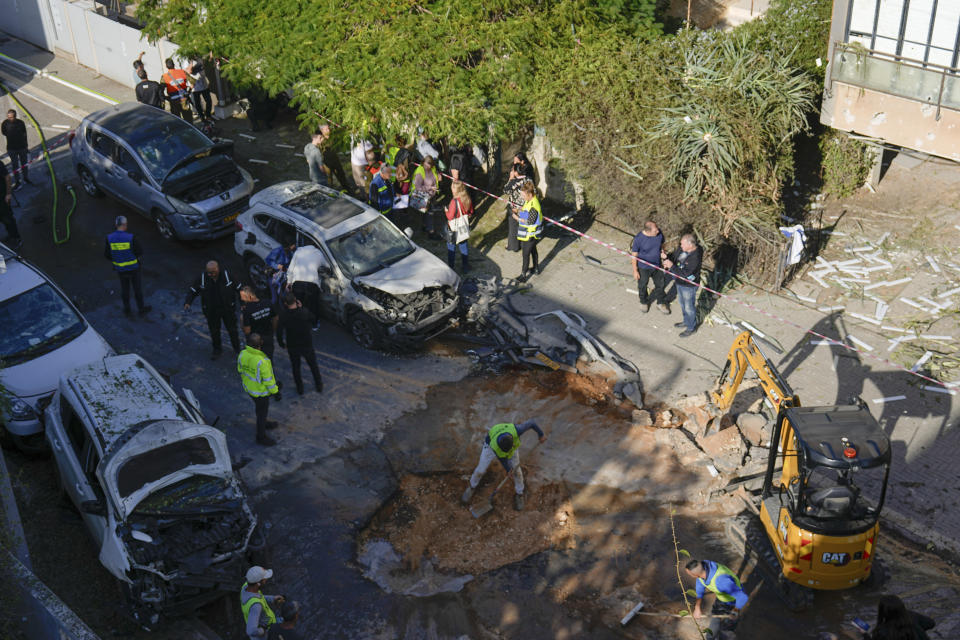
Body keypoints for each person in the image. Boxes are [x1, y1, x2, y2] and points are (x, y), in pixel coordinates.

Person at [462, 420, 547, 511]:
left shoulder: (517, 430)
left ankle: (519, 493)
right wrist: (508, 469)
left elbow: (532, 423)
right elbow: (503, 459)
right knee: (480, 470)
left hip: (512, 448)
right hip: (489, 448)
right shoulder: (495, 446)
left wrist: (541, 434)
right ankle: (472, 486)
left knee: (517, 473)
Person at [184, 260, 243, 359]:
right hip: (211, 311)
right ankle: (217, 349)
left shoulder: (228, 276)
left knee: (232, 330)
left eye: (213, 272)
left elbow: (240, 289)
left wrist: (243, 303)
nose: (211, 275)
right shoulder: (202, 278)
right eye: (209, 272)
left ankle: (237, 348)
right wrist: (188, 302)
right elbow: (193, 291)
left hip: (227, 309)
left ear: (218, 269)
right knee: (214, 331)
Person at [237, 333, 281, 446]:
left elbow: (240, 370)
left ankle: (264, 423)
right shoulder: (262, 361)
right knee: (262, 412)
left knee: (259, 410)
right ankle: (261, 436)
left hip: (249, 389)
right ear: (261, 343)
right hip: (261, 393)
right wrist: (276, 392)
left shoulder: (242, 354)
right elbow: (269, 380)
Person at [104, 216, 151, 318]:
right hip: (134, 268)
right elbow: (139, 252)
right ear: (125, 225)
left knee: (125, 289)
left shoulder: (109, 238)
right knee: (137, 289)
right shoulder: (131, 237)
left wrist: (118, 258)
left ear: (116, 225)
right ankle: (141, 309)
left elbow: (107, 255)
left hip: (120, 269)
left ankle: (127, 310)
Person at [277, 292, 323, 395]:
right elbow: (314, 320)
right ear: (296, 301)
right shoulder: (304, 312)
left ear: (285, 303)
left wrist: (281, 343)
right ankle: (319, 384)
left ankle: (300, 388)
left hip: (292, 345)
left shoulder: (284, 315)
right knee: (313, 365)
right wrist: (301, 308)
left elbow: (279, 331)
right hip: (306, 343)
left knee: (296, 367)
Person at [684, 559, 748, 627]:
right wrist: (697, 607)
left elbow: (742, 597)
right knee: (715, 617)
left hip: (733, 600)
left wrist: (735, 611)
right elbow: (700, 590)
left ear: (696, 575)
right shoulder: (704, 569)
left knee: (730, 621)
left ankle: (731, 627)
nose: (689, 576)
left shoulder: (721, 581)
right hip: (722, 596)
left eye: (689, 574)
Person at [662, 233, 703, 338]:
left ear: (690, 244)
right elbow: (675, 258)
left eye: (683, 244)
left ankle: (691, 328)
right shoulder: (683, 250)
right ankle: (686, 321)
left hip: (688, 285)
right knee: (682, 303)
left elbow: (685, 274)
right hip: (679, 282)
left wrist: (671, 267)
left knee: (689, 307)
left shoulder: (695, 257)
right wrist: (666, 257)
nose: (681, 246)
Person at [630, 221, 668, 314]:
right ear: (648, 231)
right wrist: (635, 271)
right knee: (642, 285)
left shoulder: (659, 234)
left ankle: (661, 302)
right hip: (643, 267)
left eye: (657, 228)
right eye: (655, 230)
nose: (658, 231)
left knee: (660, 285)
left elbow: (662, 245)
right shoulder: (639, 239)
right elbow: (634, 255)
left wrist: (663, 253)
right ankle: (644, 302)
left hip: (657, 265)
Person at [240, 566, 285, 638]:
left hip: (270, 622)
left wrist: (272, 598)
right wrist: (263, 630)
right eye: (264, 579)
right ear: (258, 583)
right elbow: (250, 631)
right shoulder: (256, 606)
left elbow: (258, 596)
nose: (266, 580)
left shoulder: (246, 587)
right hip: (268, 632)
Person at [503, 153, 534, 253]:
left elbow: (506, 190)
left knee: (513, 227)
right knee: (523, 226)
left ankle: (513, 246)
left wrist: (511, 178)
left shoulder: (514, 183)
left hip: (515, 208)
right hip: (526, 207)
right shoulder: (529, 180)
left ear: (516, 172)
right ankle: (523, 243)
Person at [513, 180, 542, 282]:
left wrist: (517, 218)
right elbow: (526, 213)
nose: (522, 197)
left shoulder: (534, 205)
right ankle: (536, 268)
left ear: (529, 194)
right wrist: (519, 211)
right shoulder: (529, 201)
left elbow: (530, 221)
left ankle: (523, 275)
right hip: (531, 234)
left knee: (525, 254)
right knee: (533, 250)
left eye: (523, 195)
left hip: (530, 234)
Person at [241, 286, 279, 359]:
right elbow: (276, 318)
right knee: (269, 359)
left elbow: (246, 331)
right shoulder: (268, 302)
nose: (242, 299)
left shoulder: (247, 310)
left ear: (249, 296)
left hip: (254, 342)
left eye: (243, 297)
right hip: (268, 337)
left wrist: (241, 318)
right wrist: (272, 331)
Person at [445, 180, 473, 273]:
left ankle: (451, 268)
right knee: (464, 246)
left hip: (453, 228)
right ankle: (465, 267)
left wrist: (446, 210)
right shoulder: (467, 198)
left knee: (451, 248)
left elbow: (450, 216)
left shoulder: (454, 201)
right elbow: (471, 212)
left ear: (456, 190)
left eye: (453, 187)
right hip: (463, 227)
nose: (451, 189)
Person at [411, 155, 441, 238]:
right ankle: (431, 232)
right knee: (430, 214)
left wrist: (438, 176)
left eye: (430, 165)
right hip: (424, 196)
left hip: (431, 195)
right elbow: (418, 187)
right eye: (427, 165)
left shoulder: (433, 168)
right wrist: (430, 187)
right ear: (423, 162)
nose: (428, 167)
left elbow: (435, 174)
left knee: (426, 213)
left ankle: (425, 227)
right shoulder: (419, 172)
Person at [317, 124, 351, 191]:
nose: (328, 130)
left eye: (328, 128)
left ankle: (347, 189)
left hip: (335, 160)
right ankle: (330, 191)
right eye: (326, 129)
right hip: (326, 162)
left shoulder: (332, 137)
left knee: (341, 175)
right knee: (329, 178)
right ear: (322, 130)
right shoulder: (319, 140)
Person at [2, 110, 30, 190]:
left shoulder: (21, 123)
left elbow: (24, 134)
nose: (9, 118)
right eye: (8, 117)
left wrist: (26, 146)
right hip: (11, 149)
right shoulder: (5, 123)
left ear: (15, 116)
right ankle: (18, 181)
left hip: (22, 148)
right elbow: (4, 132)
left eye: (11, 117)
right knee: (15, 166)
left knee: (24, 164)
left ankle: (25, 177)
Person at [0, 160, 20, 248]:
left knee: (8, 218)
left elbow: (7, 177)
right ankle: (11, 235)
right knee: (3, 219)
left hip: (2, 198)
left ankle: (16, 238)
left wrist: (8, 193)